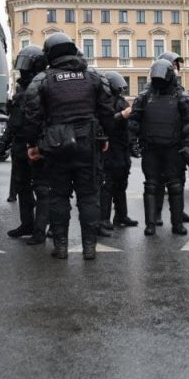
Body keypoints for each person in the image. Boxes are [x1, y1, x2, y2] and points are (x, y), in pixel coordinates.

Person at [23, 32, 114, 260]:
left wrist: (33, 144)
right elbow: (107, 113)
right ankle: (90, 247)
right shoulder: (94, 77)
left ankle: (61, 247)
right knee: (88, 197)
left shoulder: (42, 79)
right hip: (88, 143)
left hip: (56, 145)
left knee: (58, 196)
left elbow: (32, 115)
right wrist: (105, 138)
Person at [129, 59, 189, 237]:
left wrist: (188, 145)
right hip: (151, 148)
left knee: (175, 186)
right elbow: (134, 121)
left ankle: (177, 224)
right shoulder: (144, 97)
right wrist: (133, 142)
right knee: (151, 186)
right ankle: (150, 225)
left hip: (173, 148)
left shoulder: (181, 96)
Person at [0, 45, 51, 245]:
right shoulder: (22, 88)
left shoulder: (45, 85)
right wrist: (4, 142)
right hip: (20, 144)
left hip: (38, 145)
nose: (22, 70)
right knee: (22, 186)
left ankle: (40, 230)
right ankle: (26, 224)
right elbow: (14, 119)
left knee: (42, 187)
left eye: (26, 65)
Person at [149, 51, 189, 225]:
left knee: (178, 179)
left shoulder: (178, 90)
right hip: (159, 141)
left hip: (176, 141)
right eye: (175, 65)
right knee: (159, 180)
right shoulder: (153, 90)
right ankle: (157, 213)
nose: (178, 68)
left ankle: (178, 212)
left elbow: (188, 118)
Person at [98, 71, 137, 231]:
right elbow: (105, 123)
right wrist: (121, 115)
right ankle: (104, 219)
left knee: (121, 183)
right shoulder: (103, 103)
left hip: (122, 148)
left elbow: (130, 127)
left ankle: (121, 215)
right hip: (109, 149)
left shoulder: (121, 101)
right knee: (108, 184)